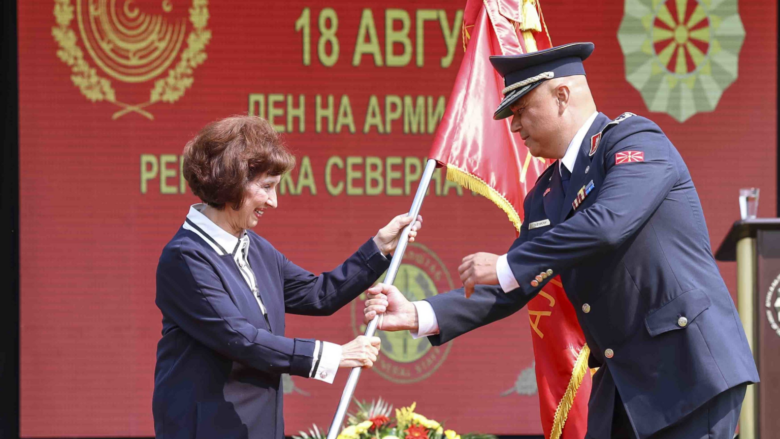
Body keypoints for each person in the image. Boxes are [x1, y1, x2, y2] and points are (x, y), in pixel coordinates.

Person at [364, 43, 758, 439]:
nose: (514, 126)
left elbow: (607, 224)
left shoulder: (634, 139)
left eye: (520, 111)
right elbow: (515, 283)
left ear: (562, 96)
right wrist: (420, 314)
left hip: (686, 366)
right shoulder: (545, 194)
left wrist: (505, 265)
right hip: (625, 381)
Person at [153, 115, 422, 439]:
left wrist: (380, 247)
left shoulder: (255, 248)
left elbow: (318, 294)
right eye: (266, 187)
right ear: (231, 180)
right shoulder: (185, 257)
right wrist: (334, 356)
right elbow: (240, 339)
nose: (274, 201)